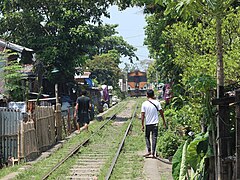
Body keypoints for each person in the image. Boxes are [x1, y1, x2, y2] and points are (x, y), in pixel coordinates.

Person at [141, 89, 167, 158]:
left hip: (148, 123)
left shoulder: (144, 104)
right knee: (154, 137)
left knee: (147, 136)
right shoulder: (157, 103)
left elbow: (142, 115)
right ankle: (153, 153)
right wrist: (164, 121)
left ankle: (149, 151)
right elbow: (161, 112)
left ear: (147, 95)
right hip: (155, 123)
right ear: (153, 95)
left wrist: (142, 125)